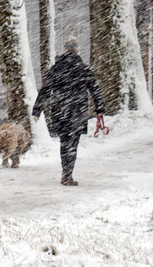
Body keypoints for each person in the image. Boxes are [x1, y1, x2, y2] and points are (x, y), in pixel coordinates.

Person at [32, 37, 107, 186]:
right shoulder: (83, 69)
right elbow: (95, 90)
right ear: (77, 51)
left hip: (59, 109)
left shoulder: (56, 68)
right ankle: (67, 174)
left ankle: (65, 172)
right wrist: (100, 109)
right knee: (73, 143)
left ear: (65, 51)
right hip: (77, 111)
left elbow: (46, 89)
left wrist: (37, 109)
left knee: (64, 142)